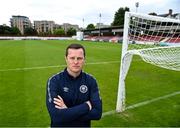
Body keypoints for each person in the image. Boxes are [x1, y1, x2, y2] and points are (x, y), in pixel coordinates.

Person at [46, 43, 102, 127]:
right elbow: (56, 116)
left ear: (84, 59)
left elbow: (97, 113)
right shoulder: (54, 81)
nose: (76, 62)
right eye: (72, 58)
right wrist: (86, 106)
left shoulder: (91, 81)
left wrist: (66, 111)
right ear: (66, 59)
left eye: (79, 58)